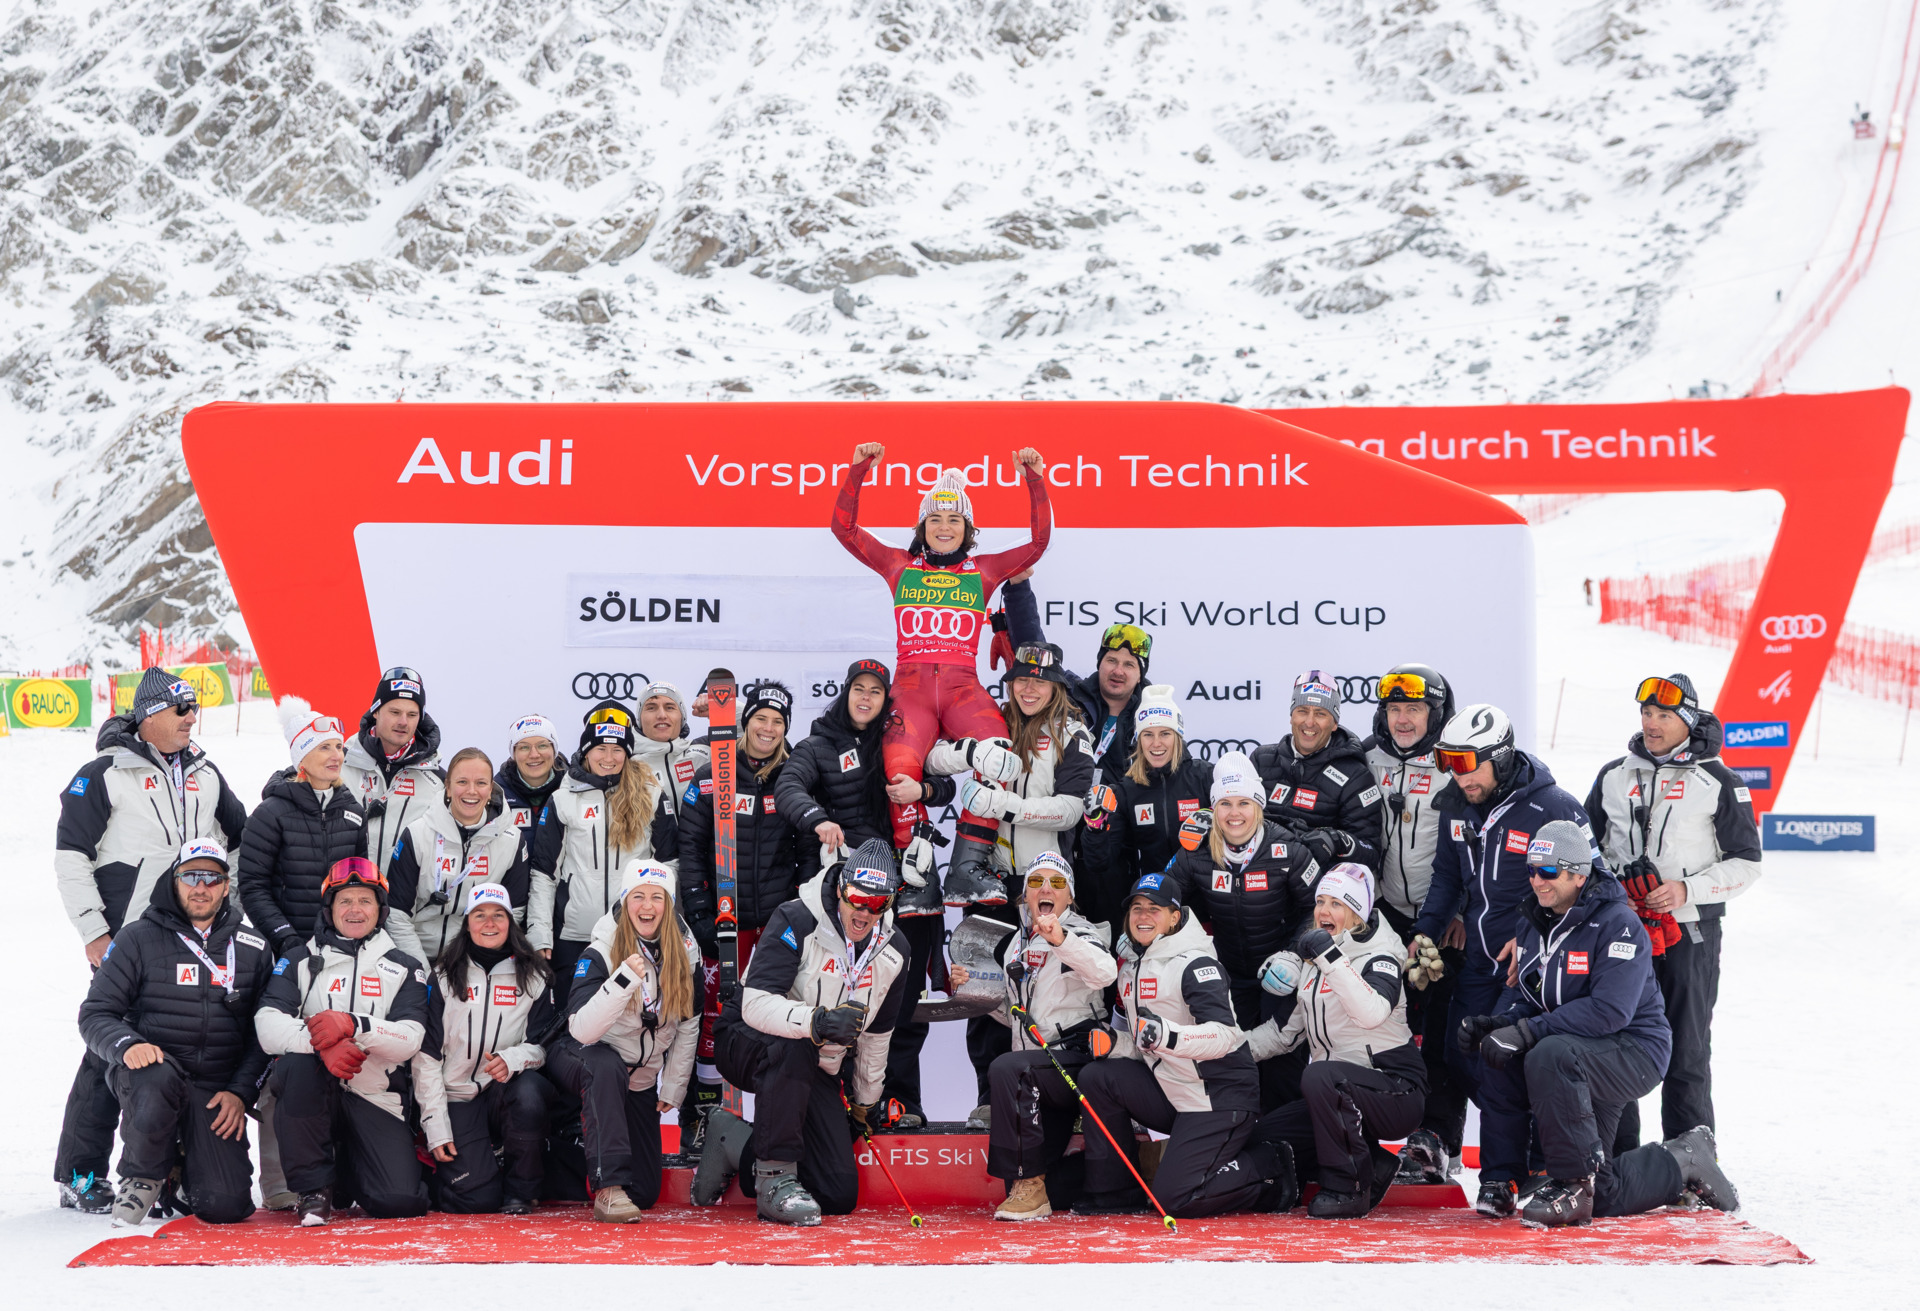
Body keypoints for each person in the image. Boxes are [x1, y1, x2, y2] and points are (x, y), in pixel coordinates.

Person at [1460, 820, 1740, 1226]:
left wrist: (1527, 1032)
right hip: (1578, 1056)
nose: (1537, 880)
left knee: (1546, 1051)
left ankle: (1573, 1183)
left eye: (1549, 871)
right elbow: (1535, 1000)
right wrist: (1498, 1024)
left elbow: (1611, 1011)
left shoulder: (1617, 923)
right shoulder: (1533, 923)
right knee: (1603, 1194)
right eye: (1532, 870)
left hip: (1633, 1051)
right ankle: (1682, 1159)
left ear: (1578, 874)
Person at [53, 667, 248, 1213]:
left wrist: (227, 902)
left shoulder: (205, 773)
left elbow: (242, 841)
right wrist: (94, 929)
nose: (192, 719)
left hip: (193, 937)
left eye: (194, 709)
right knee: (110, 1052)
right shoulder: (105, 773)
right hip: (127, 938)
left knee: (180, 1048)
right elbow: (71, 856)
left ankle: (172, 1171)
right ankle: (81, 1173)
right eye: (181, 710)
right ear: (149, 715)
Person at [830, 443, 1051, 899]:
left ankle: (966, 869)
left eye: (954, 520)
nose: (945, 527)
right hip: (910, 690)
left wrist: (1034, 478)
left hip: (961, 688)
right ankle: (918, 877)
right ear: (922, 527)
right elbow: (845, 530)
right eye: (935, 519)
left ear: (968, 529)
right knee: (900, 775)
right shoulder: (899, 565)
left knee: (1001, 756)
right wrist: (858, 471)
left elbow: (1038, 543)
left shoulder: (984, 570)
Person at [1410, 701, 1605, 1217]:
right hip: (1477, 958)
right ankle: (1513, 1165)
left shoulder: (1554, 806)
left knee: (1511, 1060)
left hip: (1533, 966)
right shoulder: (1455, 802)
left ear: (1500, 756)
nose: (1458, 777)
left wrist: (1534, 932)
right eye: (1448, 763)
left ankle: (1521, 1172)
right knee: (1463, 1056)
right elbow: (1449, 877)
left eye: (1467, 763)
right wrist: (1424, 930)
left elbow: (1596, 883)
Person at [693, 842, 915, 1226]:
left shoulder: (895, 950)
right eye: (858, 898)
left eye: (877, 904)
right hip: (746, 1039)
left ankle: (731, 1139)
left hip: (816, 1063)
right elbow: (756, 1005)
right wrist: (819, 1022)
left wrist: (864, 1104)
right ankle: (774, 1183)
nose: (864, 912)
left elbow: (878, 1036)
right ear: (841, 888)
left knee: (836, 1193)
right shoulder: (797, 917)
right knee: (795, 1045)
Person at [774, 658, 954, 1126]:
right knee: (840, 997)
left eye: (876, 691)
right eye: (860, 688)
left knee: (901, 997)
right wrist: (819, 820)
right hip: (847, 895)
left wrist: (925, 790)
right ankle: (839, 1105)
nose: (866, 698)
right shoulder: (818, 743)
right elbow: (788, 786)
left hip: (906, 889)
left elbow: (946, 784)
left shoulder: (900, 737)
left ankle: (901, 1103)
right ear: (846, 692)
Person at [1585, 674, 1761, 1146]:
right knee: (1615, 1041)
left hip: (1690, 933)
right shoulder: (1613, 775)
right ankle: (1616, 1159)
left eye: (1664, 715)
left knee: (1686, 1049)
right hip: (1621, 931)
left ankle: (1690, 1165)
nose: (1652, 723)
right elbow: (1586, 849)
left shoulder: (1719, 780)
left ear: (1688, 721)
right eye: (1646, 713)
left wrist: (1687, 889)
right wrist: (1611, 888)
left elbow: (1747, 863)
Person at [927, 640, 1092, 1123]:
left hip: (1044, 881)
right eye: (1021, 679)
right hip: (987, 878)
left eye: (1039, 681)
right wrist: (966, 752)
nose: (1028, 688)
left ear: (1055, 685)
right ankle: (989, 1096)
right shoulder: (989, 719)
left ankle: (1057, 1098)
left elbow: (1072, 809)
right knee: (984, 988)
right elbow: (932, 760)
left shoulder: (1071, 732)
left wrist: (1009, 808)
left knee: (1052, 989)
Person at [77, 839, 276, 1227]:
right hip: (153, 1074)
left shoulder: (253, 946)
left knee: (225, 1207)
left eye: (211, 878)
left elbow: (262, 1035)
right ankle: (143, 1176)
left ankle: (181, 1167)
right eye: (190, 876)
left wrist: (240, 1092)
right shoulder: (137, 937)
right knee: (155, 1072)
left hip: (214, 1089)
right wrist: (127, 1045)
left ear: (225, 885)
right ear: (174, 880)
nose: (200, 887)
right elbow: (96, 1014)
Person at [1071, 872, 1291, 1217]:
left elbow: (1224, 1036)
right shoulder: (1132, 964)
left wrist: (1166, 1036)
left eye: (1154, 909)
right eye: (1137, 908)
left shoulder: (1196, 962)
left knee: (1174, 1200)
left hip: (1218, 1095)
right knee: (1098, 1076)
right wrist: (1118, 1043)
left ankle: (1269, 1166)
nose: (1144, 916)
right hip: (1174, 1089)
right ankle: (1113, 1190)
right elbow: (1149, 1039)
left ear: (1175, 917)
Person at [1243, 864, 1426, 1219]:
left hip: (1396, 1088)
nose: (1324, 911)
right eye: (1320, 901)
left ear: (1358, 913)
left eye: (1337, 904)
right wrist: (1225, 1050)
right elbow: (1284, 1034)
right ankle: (1374, 1163)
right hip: (1340, 1093)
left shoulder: (1381, 956)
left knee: (1319, 1076)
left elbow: (1371, 1012)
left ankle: (1350, 1188)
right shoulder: (1315, 962)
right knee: (1263, 1134)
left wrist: (1330, 958)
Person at [256, 856, 431, 1225]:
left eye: (365, 900)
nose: (355, 909)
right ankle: (314, 1188)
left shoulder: (405, 967)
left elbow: (411, 1038)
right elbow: (267, 1025)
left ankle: (347, 1174)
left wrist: (353, 1025)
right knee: (295, 1066)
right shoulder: (298, 960)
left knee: (400, 1202)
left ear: (380, 911)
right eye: (345, 901)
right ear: (329, 909)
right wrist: (324, 1045)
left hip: (375, 1095)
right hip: (315, 1094)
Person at [948, 851, 1116, 1221]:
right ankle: (1125, 1171)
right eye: (1036, 882)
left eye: (1057, 883)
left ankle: (1029, 1184)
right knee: (1048, 1184)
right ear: (1024, 895)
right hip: (1038, 1072)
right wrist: (968, 991)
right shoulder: (1016, 944)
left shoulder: (1082, 932)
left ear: (1069, 896)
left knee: (1007, 1068)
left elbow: (1105, 973)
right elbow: (1016, 1016)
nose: (1045, 888)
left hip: (1076, 1062)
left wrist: (1062, 940)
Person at [546, 863, 701, 1222]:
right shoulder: (600, 950)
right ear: (625, 901)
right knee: (605, 1064)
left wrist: (673, 1089)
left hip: (639, 1078)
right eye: (638, 896)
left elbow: (690, 1024)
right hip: (586, 1058)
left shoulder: (685, 954)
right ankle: (608, 1191)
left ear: (670, 904)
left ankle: (556, 1159)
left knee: (645, 1191)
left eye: (657, 897)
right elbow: (582, 1030)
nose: (647, 906)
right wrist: (624, 979)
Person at [1360, 665, 1467, 1185]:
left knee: (1443, 1030)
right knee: (1388, 1025)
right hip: (1382, 915)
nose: (1403, 720)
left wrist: (1463, 909)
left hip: (1441, 918)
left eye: (1415, 709)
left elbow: (1478, 840)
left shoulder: (1455, 761)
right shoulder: (1364, 757)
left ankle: (1437, 1138)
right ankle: (1369, 1131)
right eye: (1394, 709)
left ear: (1436, 714)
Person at [415, 883, 559, 1215]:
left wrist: (514, 1059)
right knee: (475, 1200)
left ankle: (521, 1192)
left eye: (498, 915)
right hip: (457, 1095)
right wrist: (435, 1127)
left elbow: (543, 1047)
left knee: (530, 1091)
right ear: (467, 924)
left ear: (511, 923)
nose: (489, 923)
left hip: (503, 1092)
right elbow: (426, 1057)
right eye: (480, 915)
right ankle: (449, 1166)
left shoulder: (535, 976)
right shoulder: (444, 976)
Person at [527, 700, 679, 1002]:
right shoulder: (563, 798)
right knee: (572, 1019)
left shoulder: (651, 795)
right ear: (586, 750)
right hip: (574, 935)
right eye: (600, 748)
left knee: (630, 1021)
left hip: (634, 933)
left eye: (618, 749)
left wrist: (666, 927)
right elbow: (544, 874)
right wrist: (540, 933)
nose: (608, 758)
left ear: (628, 753)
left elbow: (669, 866)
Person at [239, 701, 370, 958]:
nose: (337, 755)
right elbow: (253, 887)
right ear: (302, 757)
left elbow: (360, 884)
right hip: (285, 948)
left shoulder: (353, 812)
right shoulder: (270, 814)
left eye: (339, 747)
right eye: (324, 747)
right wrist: (285, 938)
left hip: (340, 947)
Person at [1078, 683, 1214, 929]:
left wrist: (1215, 828)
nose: (1156, 743)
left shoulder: (1204, 777)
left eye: (1165, 733)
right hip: (1154, 909)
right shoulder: (1127, 789)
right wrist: (1095, 827)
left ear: (1178, 736)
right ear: (1139, 739)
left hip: (1204, 908)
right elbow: (1099, 862)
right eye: (1148, 734)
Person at [389, 747, 536, 967]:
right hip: (416, 954)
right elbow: (397, 914)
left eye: (480, 783)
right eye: (462, 782)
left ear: (490, 789)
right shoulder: (417, 834)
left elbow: (512, 913)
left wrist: (473, 967)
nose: (471, 791)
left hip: (473, 959)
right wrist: (420, 973)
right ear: (447, 787)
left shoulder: (512, 840)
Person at [1252, 671, 1384, 872]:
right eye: (1303, 711)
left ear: (1334, 724)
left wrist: (1338, 841)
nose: (1310, 722)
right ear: (1291, 716)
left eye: (1321, 713)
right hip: (1262, 882)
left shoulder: (1355, 775)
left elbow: (1370, 853)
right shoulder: (1262, 760)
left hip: (1318, 892)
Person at [339, 667, 446, 876]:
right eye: (395, 712)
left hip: (404, 903)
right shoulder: (339, 763)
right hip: (347, 899)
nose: (403, 722)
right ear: (376, 712)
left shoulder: (438, 779)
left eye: (412, 714)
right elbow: (296, 782)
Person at [633, 680, 710, 797]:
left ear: (682, 717)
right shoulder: (624, 761)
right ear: (640, 719)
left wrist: (723, 707)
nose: (662, 715)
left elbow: (747, 739)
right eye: (651, 708)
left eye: (669, 707)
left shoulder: (706, 749)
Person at [496, 714, 566, 831]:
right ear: (514, 753)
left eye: (542, 745)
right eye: (524, 747)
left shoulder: (574, 789)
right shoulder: (496, 793)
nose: (534, 755)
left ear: (554, 750)